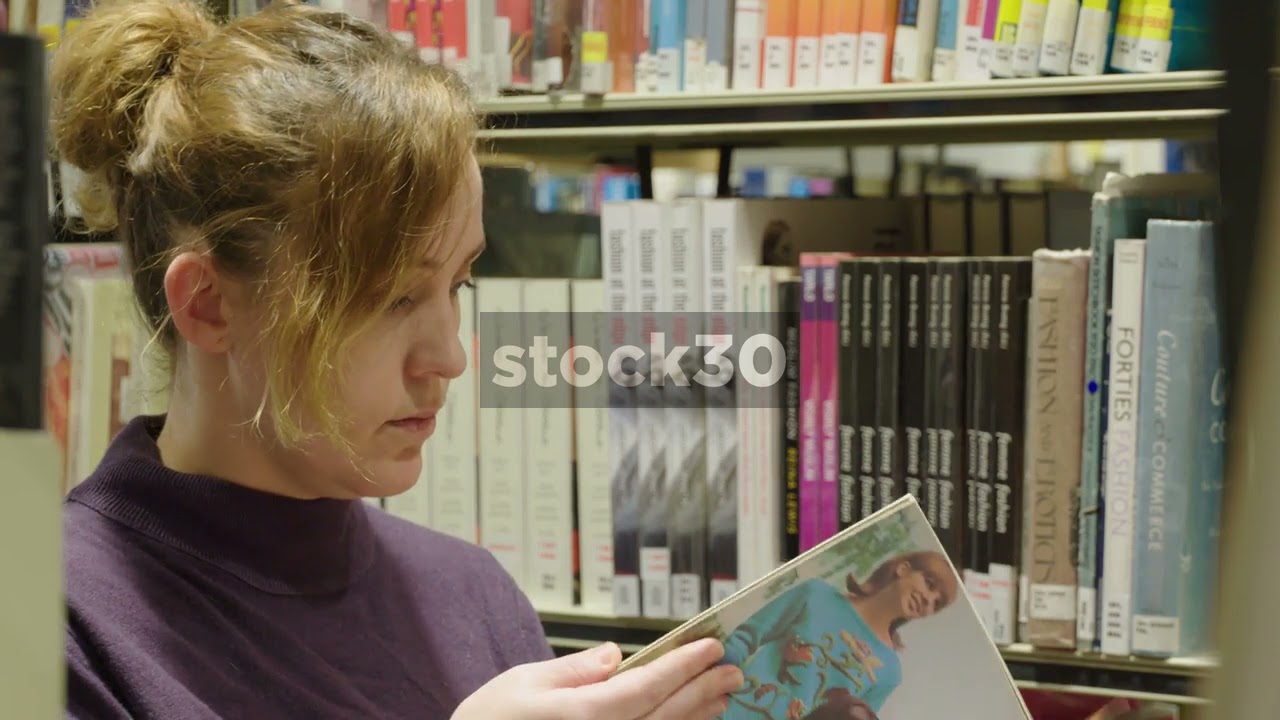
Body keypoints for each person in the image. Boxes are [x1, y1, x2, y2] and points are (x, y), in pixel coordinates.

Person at [49, 0, 743, 718]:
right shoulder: (51, 623)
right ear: (208, 305)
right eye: (391, 299)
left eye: (458, 284)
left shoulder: (471, 595)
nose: (449, 358)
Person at [717, 551, 959, 719]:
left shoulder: (890, 672)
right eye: (929, 583)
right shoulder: (816, 595)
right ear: (903, 569)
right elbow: (745, 639)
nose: (929, 599)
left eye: (937, 604)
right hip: (726, 711)